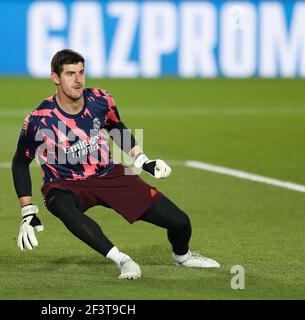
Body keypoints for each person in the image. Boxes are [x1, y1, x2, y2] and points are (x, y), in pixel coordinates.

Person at [12, 49, 219, 280]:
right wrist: (28, 211)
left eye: (81, 72)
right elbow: (20, 162)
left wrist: (142, 159)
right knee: (63, 207)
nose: (78, 80)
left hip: (109, 174)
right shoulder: (39, 119)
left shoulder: (100, 100)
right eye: (70, 74)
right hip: (64, 183)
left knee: (180, 221)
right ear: (55, 78)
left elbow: (115, 127)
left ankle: (183, 257)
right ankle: (122, 260)